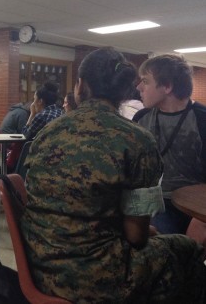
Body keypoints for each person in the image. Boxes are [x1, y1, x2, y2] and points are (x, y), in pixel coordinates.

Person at [20, 47, 206, 303]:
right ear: (123, 91)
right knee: (189, 249)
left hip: (37, 268)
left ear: (80, 86)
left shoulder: (47, 133)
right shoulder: (138, 139)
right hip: (97, 280)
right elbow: (137, 237)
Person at [134, 54, 206, 234]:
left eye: (145, 81)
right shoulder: (141, 118)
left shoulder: (201, 118)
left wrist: (201, 221)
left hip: (195, 206)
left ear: (167, 86)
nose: (138, 87)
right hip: (153, 202)